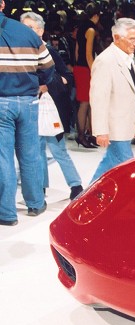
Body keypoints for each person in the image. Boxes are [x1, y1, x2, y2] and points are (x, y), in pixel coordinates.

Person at [0, 0, 55, 226]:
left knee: (3, 159)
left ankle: (6, 213)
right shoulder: (26, 31)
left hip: (2, 102)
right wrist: (36, 86)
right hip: (29, 101)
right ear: (2, 4)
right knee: (31, 154)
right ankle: (35, 203)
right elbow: (48, 67)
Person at [20, 12, 83, 201]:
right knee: (37, 151)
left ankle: (75, 185)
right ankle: (41, 187)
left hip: (51, 109)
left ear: (40, 30)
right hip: (31, 108)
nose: (25, 31)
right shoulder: (21, 51)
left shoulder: (49, 51)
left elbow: (67, 77)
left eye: (30, 27)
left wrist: (47, 86)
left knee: (58, 150)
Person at [89, 18, 135, 183]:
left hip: (125, 124)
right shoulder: (105, 61)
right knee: (127, 166)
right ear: (117, 38)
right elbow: (98, 98)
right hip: (115, 126)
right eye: (131, 39)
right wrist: (101, 130)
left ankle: (85, 199)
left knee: (109, 165)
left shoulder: (129, 58)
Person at [73, 2, 100, 149]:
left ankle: (86, 135)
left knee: (87, 102)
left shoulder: (81, 27)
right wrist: (94, 70)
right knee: (85, 103)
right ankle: (82, 136)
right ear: (96, 15)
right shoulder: (90, 29)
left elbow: (78, 50)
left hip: (79, 66)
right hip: (86, 68)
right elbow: (89, 54)